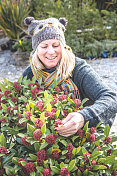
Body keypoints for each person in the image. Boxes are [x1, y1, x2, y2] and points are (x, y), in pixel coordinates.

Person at [23, 16, 117, 137]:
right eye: (44, 46)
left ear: (63, 46)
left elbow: (111, 98)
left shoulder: (78, 68)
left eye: (56, 45)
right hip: (47, 141)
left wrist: (83, 117)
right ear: (36, 49)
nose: (51, 52)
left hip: (84, 139)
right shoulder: (30, 74)